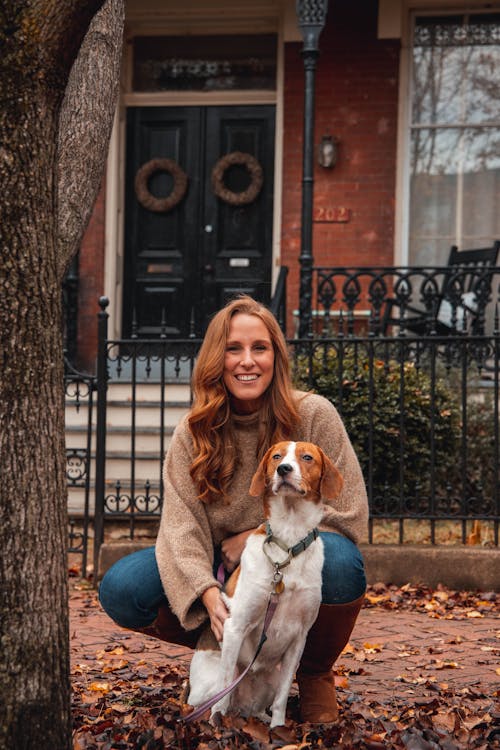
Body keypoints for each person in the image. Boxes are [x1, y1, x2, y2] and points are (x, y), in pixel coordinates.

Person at [99, 295, 368, 723]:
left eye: (259, 348)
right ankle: (227, 655)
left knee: (341, 562)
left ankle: (313, 673)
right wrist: (207, 593)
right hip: (216, 564)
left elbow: (349, 513)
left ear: (276, 357)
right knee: (123, 587)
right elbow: (180, 527)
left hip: (294, 550)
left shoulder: (314, 414)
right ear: (215, 360)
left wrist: (253, 538)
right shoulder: (193, 432)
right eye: (233, 349)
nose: (247, 361)